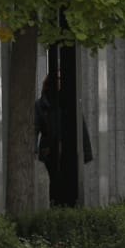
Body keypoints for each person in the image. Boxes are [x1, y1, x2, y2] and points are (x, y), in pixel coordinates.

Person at [36, 70, 92, 207]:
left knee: (68, 180)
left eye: (61, 78)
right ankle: (56, 205)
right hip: (50, 150)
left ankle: (68, 206)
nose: (59, 81)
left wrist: (86, 152)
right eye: (57, 78)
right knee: (55, 181)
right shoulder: (41, 104)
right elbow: (34, 127)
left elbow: (81, 126)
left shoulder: (70, 102)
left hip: (68, 148)